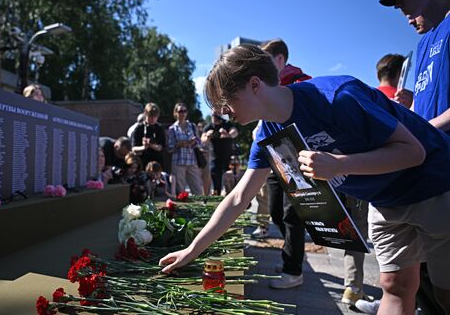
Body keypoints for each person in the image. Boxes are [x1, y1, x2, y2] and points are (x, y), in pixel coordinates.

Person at [159, 44, 450, 315]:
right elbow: (238, 198)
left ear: (255, 85)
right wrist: (191, 250)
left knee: (443, 293)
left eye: (226, 102)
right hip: (386, 200)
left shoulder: (337, 97)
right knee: (395, 286)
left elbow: (414, 152)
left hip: (434, 183)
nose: (222, 113)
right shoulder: (267, 133)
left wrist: (338, 165)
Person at [370, 0, 450, 313]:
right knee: (404, 284)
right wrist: (408, 113)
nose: (399, 8)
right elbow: (424, 112)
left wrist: (422, 131)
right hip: (424, 178)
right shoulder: (422, 44)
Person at [250, 39, 312, 288]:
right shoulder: (266, 88)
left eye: (264, 62)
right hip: (274, 158)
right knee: (276, 210)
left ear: (279, 60)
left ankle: (293, 270)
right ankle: (291, 255)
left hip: (297, 162)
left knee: (292, 215)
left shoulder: (302, 82)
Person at [167, 103, 204, 195]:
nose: (182, 113)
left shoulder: (192, 126)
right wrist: (180, 144)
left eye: (184, 111)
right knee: (181, 192)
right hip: (178, 163)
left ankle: (199, 208)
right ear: (175, 113)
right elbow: (170, 148)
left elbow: (199, 143)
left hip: (192, 162)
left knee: (198, 190)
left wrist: (194, 141)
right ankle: (182, 209)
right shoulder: (172, 129)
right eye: (180, 111)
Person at [202, 112, 238, 195]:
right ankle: (216, 195)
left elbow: (235, 132)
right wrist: (207, 136)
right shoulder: (209, 127)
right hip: (215, 158)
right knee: (216, 180)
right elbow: (202, 139)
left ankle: (231, 196)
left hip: (228, 158)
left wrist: (227, 134)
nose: (213, 117)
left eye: (215, 115)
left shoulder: (226, 124)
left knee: (230, 180)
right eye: (212, 115)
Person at [131, 103, 166, 168]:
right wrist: (144, 147)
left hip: (157, 162)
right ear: (145, 115)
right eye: (150, 116)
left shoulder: (159, 128)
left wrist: (151, 145)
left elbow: (161, 147)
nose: (153, 119)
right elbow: (133, 148)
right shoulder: (139, 128)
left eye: (155, 117)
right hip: (143, 162)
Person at [197, 121, 213, 195]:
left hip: (206, 161)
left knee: (206, 178)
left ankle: (206, 196)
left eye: (201, 127)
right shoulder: (195, 136)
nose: (200, 129)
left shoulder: (206, 137)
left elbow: (209, 148)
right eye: (198, 127)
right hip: (197, 161)